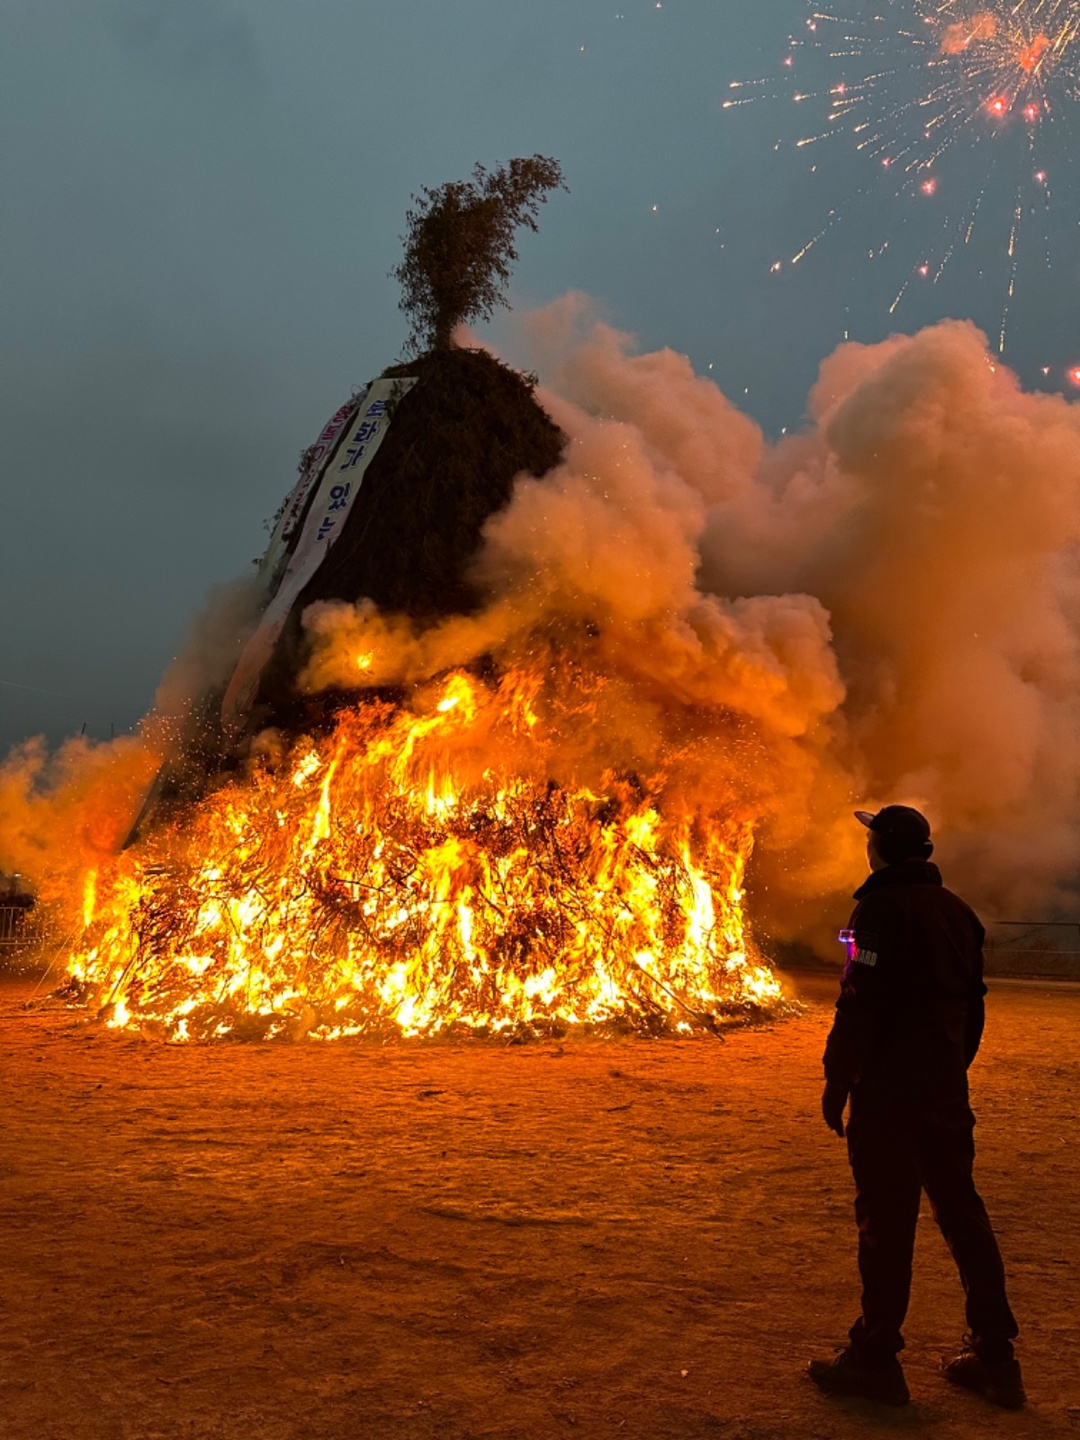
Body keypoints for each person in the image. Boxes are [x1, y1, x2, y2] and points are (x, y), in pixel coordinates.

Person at [807, 805, 1024, 1410]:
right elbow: (974, 1007)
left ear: (880, 847)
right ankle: (996, 1356)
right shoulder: (959, 913)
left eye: (870, 837)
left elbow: (860, 1002)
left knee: (886, 1222)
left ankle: (875, 1359)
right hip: (945, 1093)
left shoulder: (878, 910)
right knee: (962, 1213)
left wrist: (838, 1078)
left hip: (890, 1098)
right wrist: (952, 1070)